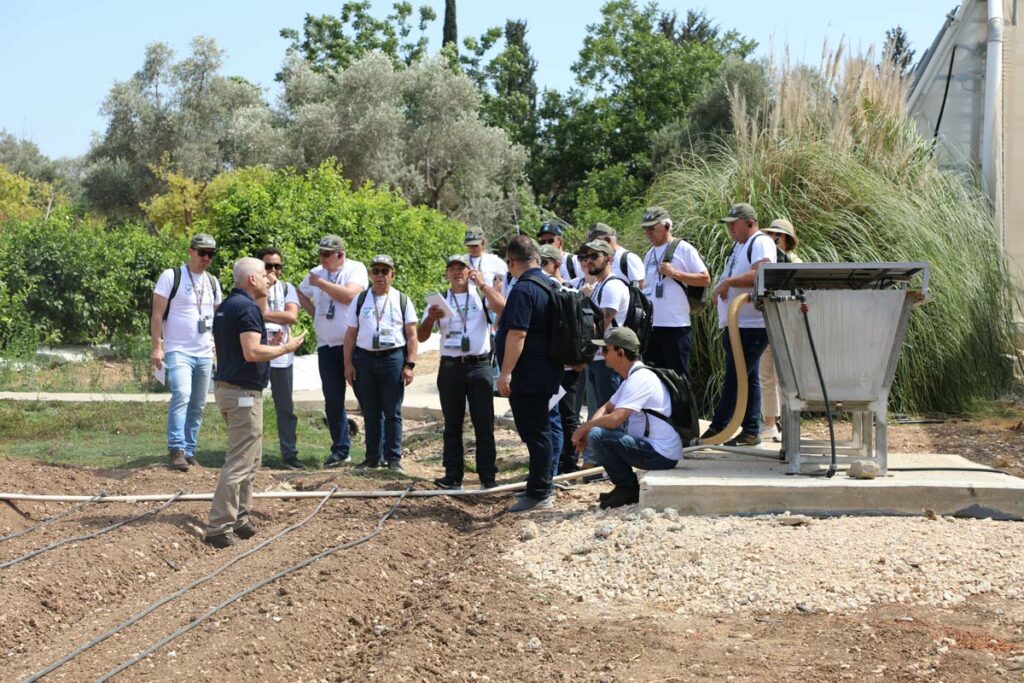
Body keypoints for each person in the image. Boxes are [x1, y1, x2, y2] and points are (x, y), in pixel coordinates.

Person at [204, 257, 305, 548]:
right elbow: (250, 352)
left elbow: (243, 349)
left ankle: (240, 519)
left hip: (229, 389)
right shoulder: (247, 307)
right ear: (251, 280)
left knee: (251, 458)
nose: (269, 279)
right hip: (242, 394)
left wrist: (268, 348)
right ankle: (218, 526)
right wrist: (286, 347)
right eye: (264, 275)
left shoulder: (227, 306)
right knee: (239, 461)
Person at [418, 255, 505, 489]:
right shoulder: (440, 300)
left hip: (479, 365)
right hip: (451, 366)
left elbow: (501, 307)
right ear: (446, 274)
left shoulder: (480, 295)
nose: (457, 273)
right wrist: (430, 320)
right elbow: (421, 335)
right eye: (452, 269)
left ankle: (487, 475)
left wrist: (483, 284)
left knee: (483, 422)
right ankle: (453, 474)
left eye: (461, 268)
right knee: (452, 423)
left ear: (469, 272)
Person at [572, 328, 682, 509]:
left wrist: (585, 428)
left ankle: (627, 487)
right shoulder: (632, 378)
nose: (601, 353)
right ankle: (623, 486)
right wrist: (588, 427)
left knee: (599, 435)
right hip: (653, 447)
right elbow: (607, 407)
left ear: (620, 352)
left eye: (606, 349)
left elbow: (615, 419)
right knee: (597, 432)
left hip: (661, 454)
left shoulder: (641, 379)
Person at [495, 235, 563, 512]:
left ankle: (539, 492)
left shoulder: (524, 289)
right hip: (546, 370)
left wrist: (505, 373)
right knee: (540, 430)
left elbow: (518, 333)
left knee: (536, 432)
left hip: (529, 374)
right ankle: (539, 484)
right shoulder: (549, 283)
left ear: (510, 262)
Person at [704, 202, 777, 446]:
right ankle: (750, 430)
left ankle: (719, 428)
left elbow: (762, 274)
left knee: (737, 377)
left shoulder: (760, 242)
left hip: (752, 324)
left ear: (749, 223)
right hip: (738, 324)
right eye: (729, 225)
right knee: (748, 376)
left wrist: (728, 283)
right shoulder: (740, 245)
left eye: (734, 224)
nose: (730, 229)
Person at [150, 233, 223, 472]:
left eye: (210, 254)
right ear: (190, 251)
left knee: (199, 403)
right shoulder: (172, 276)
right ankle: (176, 448)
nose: (206, 258)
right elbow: (157, 314)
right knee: (181, 393)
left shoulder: (212, 282)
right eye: (202, 252)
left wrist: (215, 340)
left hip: (203, 353)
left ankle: (190, 450)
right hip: (178, 349)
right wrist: (157, 347)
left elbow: (216, 315)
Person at [297, 235, 368, 468]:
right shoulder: (316, 272)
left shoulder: (355, 269)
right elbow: (299, 293)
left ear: (341, 255)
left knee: (365, 397)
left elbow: (348, 296)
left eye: (327, 255)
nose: (323, 259)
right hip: (326, 345)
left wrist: (321, 284)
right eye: (321, 254)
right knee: (333, 400)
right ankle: (340, 450)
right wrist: (315, 311)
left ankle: (377, 449)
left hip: (353, 343)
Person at [344, 255, 418, 471]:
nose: (380, 276)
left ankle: (393, 458)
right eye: (375, 271)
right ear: (369, 274)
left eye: (384, 271)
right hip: (365, 358)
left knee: (392, 411)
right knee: (370, 410)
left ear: (392, 275)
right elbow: (350, 334)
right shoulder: (360, 300)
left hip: (393, 358)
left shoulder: (402, 300)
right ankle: (372, 457)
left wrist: (410, 365)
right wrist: (348, 363)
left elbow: (412, 336)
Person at [640, 206, 711, 377]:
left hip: (675, 326)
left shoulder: (683, 248)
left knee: (678, 380)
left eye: (652, 227)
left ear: (666, 226)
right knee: (655, 379)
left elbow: (705, 279)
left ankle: (682, 405)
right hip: (653, 326)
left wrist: (675, 274)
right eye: (645, 228)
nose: (648, 232)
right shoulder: (649, 254)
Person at [580, 239, 630, 466]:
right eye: (586, 256)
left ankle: (614, 463)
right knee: (596, 411)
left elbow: (603, 321)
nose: (589, 260)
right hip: (598, 358)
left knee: (610, 415)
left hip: (608, 361)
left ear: (608, 259)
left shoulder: (612, 286)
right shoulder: (600, 285)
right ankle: (598, 462)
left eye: (594, 256)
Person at [539, 244, 586, 475]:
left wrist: (580, 359)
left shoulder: (569, 292)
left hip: (568, 367)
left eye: (544, 263)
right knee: (552, 416)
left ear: (557, 263)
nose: (540, 267)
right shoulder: (544, 290)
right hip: (551, 365)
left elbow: (584, 329)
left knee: (568, 417)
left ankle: (568, 465)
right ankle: (554, 466)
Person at [257, 247, 303, 470]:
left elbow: (291, 316)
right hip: (257, 352)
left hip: (282, 356)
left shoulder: (287, 288)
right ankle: (251, 453)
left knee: (285, 406)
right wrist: (265, 289)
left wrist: (264, 315)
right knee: (250, 404)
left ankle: (289, 454)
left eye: (277, 266)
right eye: (268, 266)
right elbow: (253, 309)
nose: (273, 270)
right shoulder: (253, 286)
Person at [758, 219, 802, 442]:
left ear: (786, 239)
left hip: (788, 323)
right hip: (768, 321)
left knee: (787, 375)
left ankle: (789, 421)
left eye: (778, 235)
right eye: (770, 234)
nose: (773, 238)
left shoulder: (795, 261)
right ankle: (769, 423)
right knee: (766, 374)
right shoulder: (767, 259)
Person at [586, 223, 645, 288]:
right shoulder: (601, 260)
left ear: (607, 240)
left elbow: (642, 287)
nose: (592, 247)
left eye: (596, 243)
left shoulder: (628, 258)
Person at [463, 227, 508, 295]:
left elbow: (505, 282)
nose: (472, 248)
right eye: (470, 245)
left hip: (489, 299)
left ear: (483, 244)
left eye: (475, 245)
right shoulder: (462, 261)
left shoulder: (495, 261)